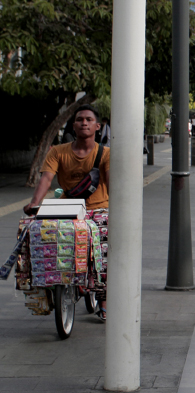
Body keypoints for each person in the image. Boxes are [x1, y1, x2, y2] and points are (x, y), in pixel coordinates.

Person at [24, 104, 111, 320]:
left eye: (89, 120)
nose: (84, 122)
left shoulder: (106, 154)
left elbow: (112, 184)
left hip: (98, 209)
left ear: (97, 126)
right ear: (73, 125)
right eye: (80, 119)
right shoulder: (57, 151)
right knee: (46, 239)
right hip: (68, 208)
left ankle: (104, 300)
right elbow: (46, 178)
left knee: (103, 254)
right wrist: (34, 203)